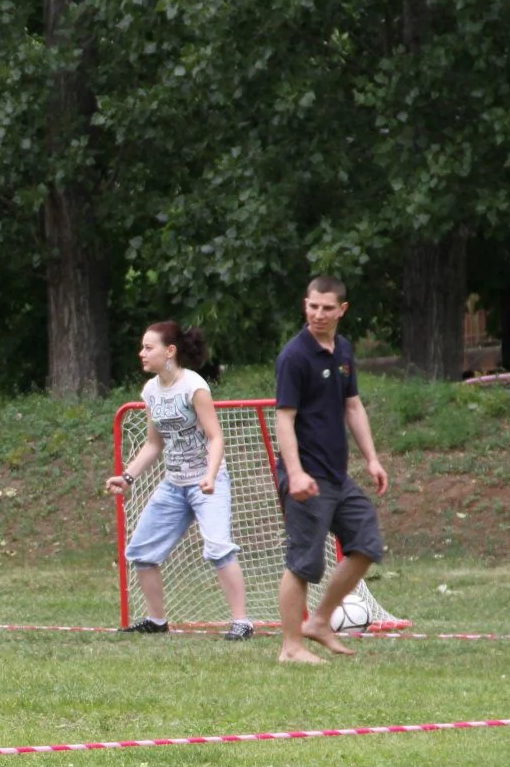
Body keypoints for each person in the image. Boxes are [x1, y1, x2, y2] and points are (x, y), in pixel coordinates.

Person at [105, 321, 252, 639]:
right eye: (142, 347)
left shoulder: (194, 386)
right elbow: (153, 444)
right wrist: (128, 477)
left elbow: (215, 437)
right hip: (174, 485)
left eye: (148, 347)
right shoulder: (150, 391)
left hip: (206, 481)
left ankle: (242, 622)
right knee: (141, 552)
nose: (141, 353)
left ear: (170, 351)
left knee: (218, 548)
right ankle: (156, 621)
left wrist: (211, 477)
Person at [274, 277, 389, 664]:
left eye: (327, 308)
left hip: (337, 476)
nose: (318, 314)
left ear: (342, 309)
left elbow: (352, 407)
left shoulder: (342, 350)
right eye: (312, 306)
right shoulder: (294, 357)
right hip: (306, 475)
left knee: (366, 543)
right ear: (305, 306)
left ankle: (320, 621)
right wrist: (295, 473)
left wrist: (371, 458)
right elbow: (284, 419)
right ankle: (290, 648)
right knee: (303, 562)